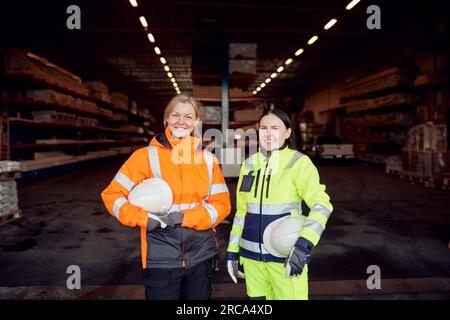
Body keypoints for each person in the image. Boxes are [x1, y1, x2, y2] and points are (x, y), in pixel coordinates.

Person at [101, 94, 231, 300]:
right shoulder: (144, 157)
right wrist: (143, 219)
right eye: (175, 115)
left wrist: (185, 218)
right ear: (166, 120)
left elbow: (221, 204)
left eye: (188, 116)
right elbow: (112, 195)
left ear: (197, 122)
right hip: (161, 255)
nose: (181, 121)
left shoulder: (208, 160)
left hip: (201, 253)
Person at [225, 108, 333, 300]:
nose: (268, 133)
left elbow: (321, 205)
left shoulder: (299, 163)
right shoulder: (249, 164)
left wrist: (303, 246)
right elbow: (242, 213)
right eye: (263, 128)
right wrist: (233, 251)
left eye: (275, 128)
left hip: (286, 259)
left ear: (288, 132)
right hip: (252, 263)